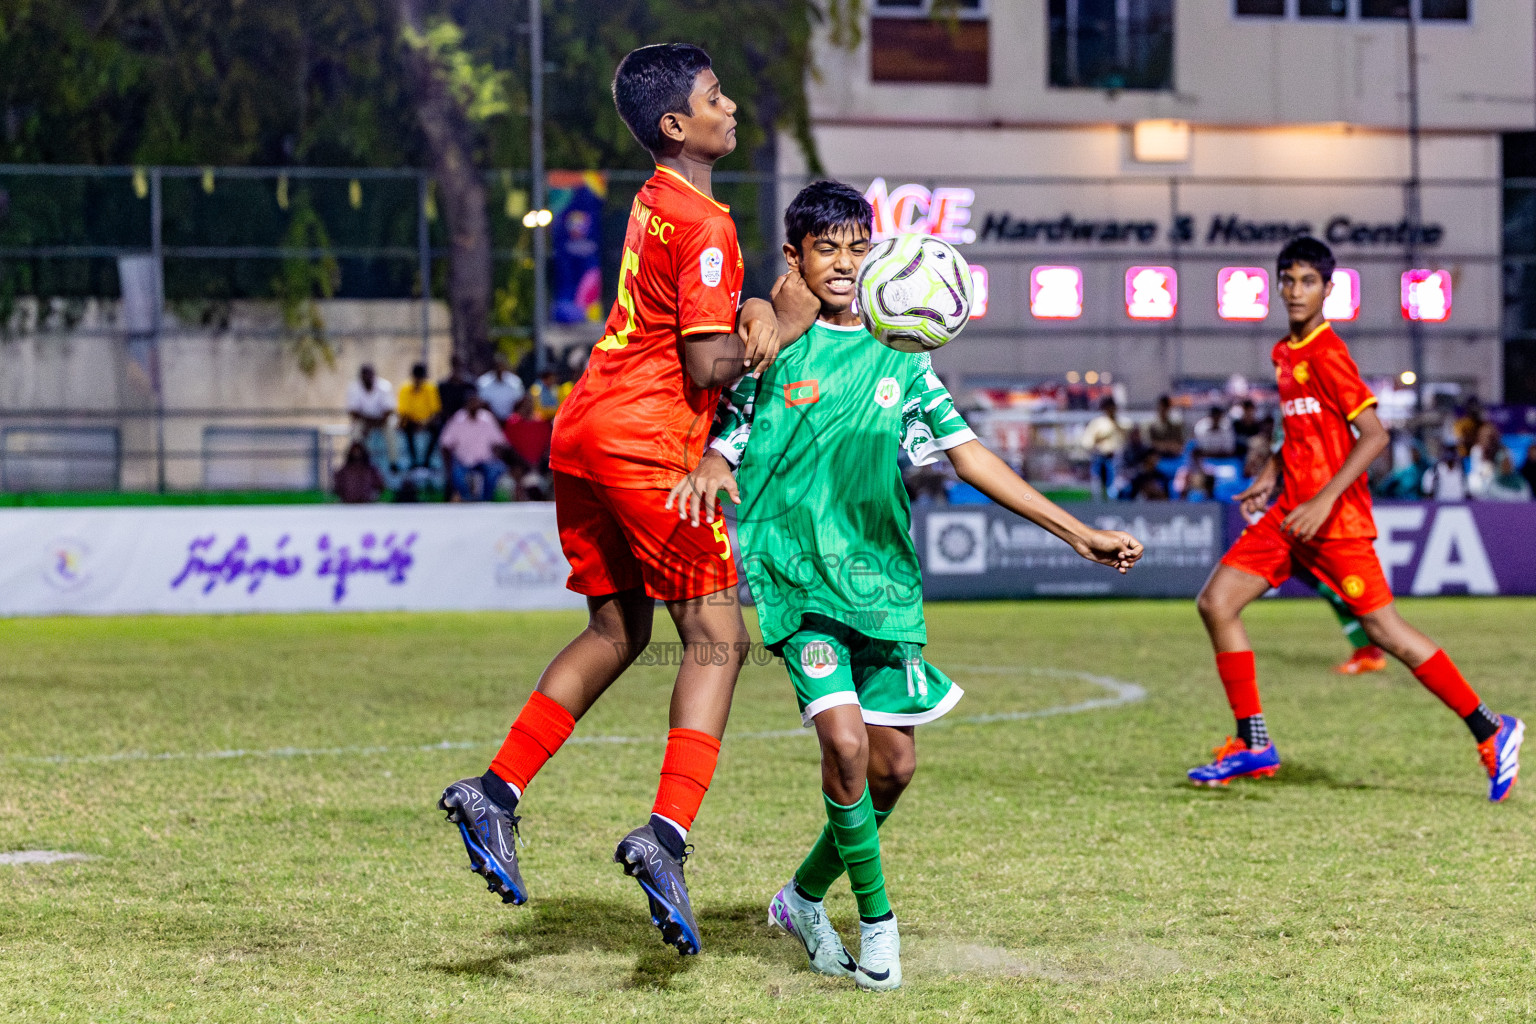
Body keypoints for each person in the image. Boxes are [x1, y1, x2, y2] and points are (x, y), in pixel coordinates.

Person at [669, 181, 1143, 990]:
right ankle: (880, 928)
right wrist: (714, 463)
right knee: (846, 747)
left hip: (882, 585)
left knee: (891, 768)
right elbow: (726, 434)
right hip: (798, 579)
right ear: (796, 258)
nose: (846, 263)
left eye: (859, 247)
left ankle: (801, 897)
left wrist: (1079, 532)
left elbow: (970, 457)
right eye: (827, 249)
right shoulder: (775, 347)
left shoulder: (903, 353)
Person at [436, 43, 819, 957]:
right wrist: (784, 326)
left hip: (584, 428)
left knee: (619, 632)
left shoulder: (653, 200)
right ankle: (668, 836)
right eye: (715, 97)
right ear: (676, 126)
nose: (731, 107)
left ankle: (493, 793)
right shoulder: (708, 222)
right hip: (646, 441)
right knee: (720, 638)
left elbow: (690, 327)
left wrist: (749, 320)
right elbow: (702, 363)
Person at [1190, 237, 1523, 800]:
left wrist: (1323, 501)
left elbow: (1374, 436)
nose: (1296, 292)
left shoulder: (1327, 353)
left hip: (1335, 523)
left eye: (1308, 282)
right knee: (1216, 603)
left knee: (1385, 632)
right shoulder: (1285, 353)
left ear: (1328, 288)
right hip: (1290, 516)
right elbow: (1297, 430)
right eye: (1288, 280)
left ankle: (1492, 729)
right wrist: (1273, 472)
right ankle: (1253, 742)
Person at [438, 393, 506, 501]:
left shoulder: (487, 418)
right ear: (466, 405)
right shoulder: (457, 419)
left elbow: (499, 442)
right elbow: (445, 444)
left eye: (476, 402)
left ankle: (485, 501)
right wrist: (448, 466)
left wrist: (497, 457)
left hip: (485, 460)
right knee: (457, 475)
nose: (474, 405)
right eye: (471, 402)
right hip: (463, 461)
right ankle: (468, 500)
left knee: (495, 470)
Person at [345, 364, 396, 481]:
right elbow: (353, 413)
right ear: (361, 377)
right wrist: (367, 423)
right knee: (356, 432)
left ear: (374, 376)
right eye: (364, 376)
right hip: (364, 421)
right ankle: (357, 459)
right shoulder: (354, 388)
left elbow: (388, 412)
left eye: (369, 375)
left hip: (382, 422)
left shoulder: (384, 387)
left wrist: (371, 423)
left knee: (391, 431)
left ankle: (393, 462)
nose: (367, 378)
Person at [502, 395, 554, 500]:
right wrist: (523, 465)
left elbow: (548, 446)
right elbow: (509, 447)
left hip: (540, 467)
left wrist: (538, 464)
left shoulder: (541, 423)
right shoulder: (512, 423)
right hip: (518, 467)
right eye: (524, 405)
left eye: (529, 405)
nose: (527, 407)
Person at [396, 362, 441, 471]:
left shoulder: (430, 388)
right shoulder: (405, 389)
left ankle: (427, 461)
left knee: (438, 428)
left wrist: (425, 423)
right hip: (410, 422)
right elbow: (404, 413)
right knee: (406, 428)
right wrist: (417, 423)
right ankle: (413, 462)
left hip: (428, 422)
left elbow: (435, 411)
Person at [1080, 395, 1126, 498]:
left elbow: (1127, 438)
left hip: (1117, 460)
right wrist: (1100, 439)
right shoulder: (1097, 423)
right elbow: (1087, 443)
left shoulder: (1122, 422)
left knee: (1116, 488)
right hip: (1100, 459)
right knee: (1098, 488)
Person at [476, 353, 525, 422]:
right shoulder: (483, 382)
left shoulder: (515, 382)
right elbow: (482, 403)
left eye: (501, 366)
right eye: (497, 366)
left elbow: (519, 402)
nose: (499, 369)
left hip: (511, 421)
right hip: (490, 421)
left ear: (505, 366)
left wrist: (511, 417)